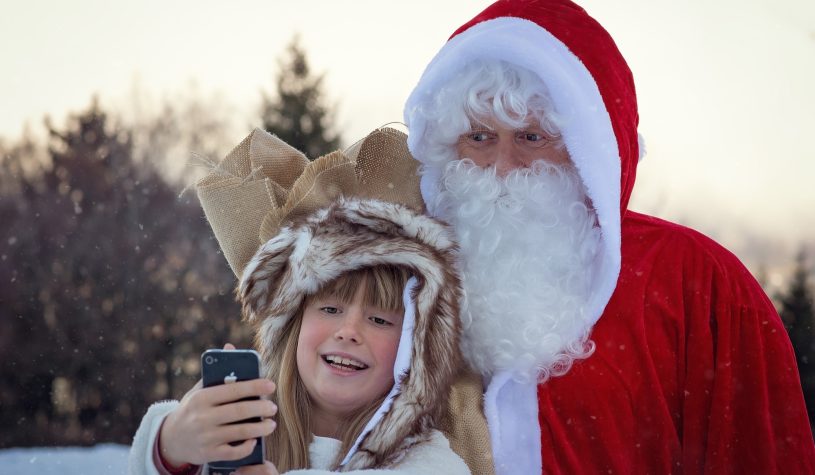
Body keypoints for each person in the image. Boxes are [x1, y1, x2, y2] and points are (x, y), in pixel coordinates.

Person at [402, 0, 815, 473]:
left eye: (530, 138)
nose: (502, 167)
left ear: (586, 150)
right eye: (479, 137)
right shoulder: (396, 277)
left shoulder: (696, 281)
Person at [128, 129, 470, 474]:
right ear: (292, 325)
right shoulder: (232, 439)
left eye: (380, 320)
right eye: (330, 309)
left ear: (415, 349)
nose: (349, 331)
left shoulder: (429, 465)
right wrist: (172, 445)